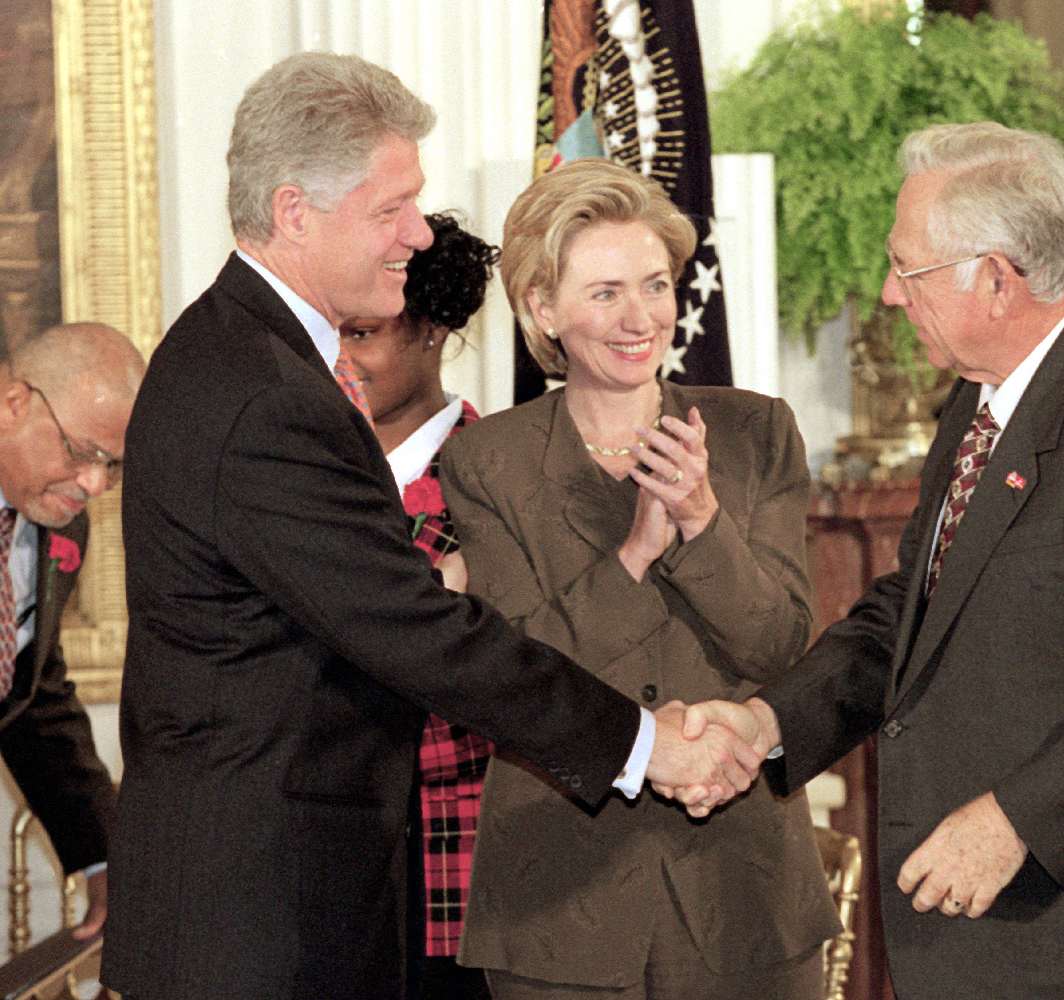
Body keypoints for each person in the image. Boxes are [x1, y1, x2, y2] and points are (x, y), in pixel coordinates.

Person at [103, 53, 754, 1000]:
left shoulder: (256, 357)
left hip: (286, 900)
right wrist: (648, 745)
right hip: (253, 923)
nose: (418, 234)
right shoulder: (260, 394)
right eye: (390, 208)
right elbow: (415, 630)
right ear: (295, 212)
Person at [686, 122, 1064, 1000]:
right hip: (999, 949)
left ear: (997, 279)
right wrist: (773, 721)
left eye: (907, 269)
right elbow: (918, 611)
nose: (889, 295)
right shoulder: (985, 396)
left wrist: (1016, 821)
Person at [439, 158, 839, 1000]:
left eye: (655, 285)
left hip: (747, 894)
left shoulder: (756, 431)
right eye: (606, 292)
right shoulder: (486, 460)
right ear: (542, 308)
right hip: (558, 906)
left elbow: (778, 643)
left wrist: (700, 519)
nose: (640, 317)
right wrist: (632, 555)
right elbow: (516, 674)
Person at [0, 321, 142, 998]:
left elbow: (32, 690)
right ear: (16, 402)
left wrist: (102, 849)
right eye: (83, 452)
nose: (94, 484)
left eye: (114, 464)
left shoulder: (56, 520)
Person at [338, 211, 499, 1000]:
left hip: (451, 883)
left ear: (431, 330)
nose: (340, 360)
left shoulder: (498, 483)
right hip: (327, 882)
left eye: (362, 335)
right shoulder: (310, 475)